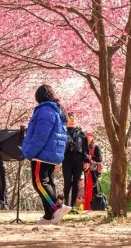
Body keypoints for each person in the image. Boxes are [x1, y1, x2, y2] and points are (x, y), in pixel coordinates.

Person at [22, 84, 68, 222]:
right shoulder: (57, 110)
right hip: (52, 153)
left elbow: (41, 135)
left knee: (39, 183)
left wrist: (29, 152)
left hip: (42, 153)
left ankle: (56, 208)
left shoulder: (45, 110)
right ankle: (49, 216)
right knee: (48, 182)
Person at [63, 114, 87, 208]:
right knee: (67, 182)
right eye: (70, 118)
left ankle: (73, 205)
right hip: (66, 159)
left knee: (76, 182)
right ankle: (66, 203)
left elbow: (85, 148)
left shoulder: (80, 132)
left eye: (74, 118)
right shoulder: (62, 131)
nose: (72, 119)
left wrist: (86, 161)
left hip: (78, 159)